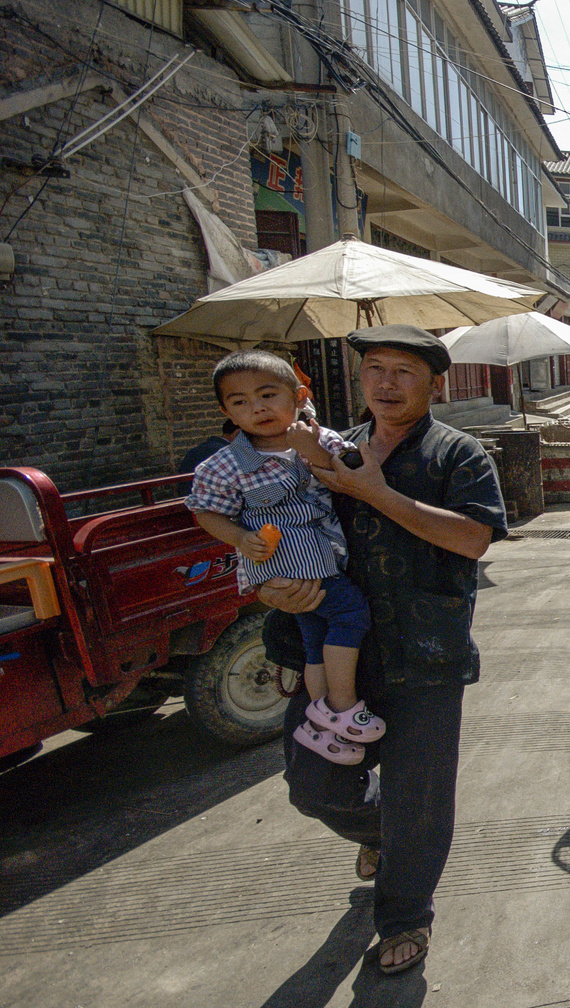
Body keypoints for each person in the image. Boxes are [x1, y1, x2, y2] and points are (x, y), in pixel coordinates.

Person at [257, 325, 507, 976]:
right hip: (335, 650)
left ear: (434, 384)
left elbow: (475, 539)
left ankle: (404, 916)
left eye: (403, 371)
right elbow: (285, 526)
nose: (387, 383)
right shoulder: (326, 448)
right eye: (375, 369)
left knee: (418, 797)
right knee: (313, 784)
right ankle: (378, 836)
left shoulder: (459, 455)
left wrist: (374, 493)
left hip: (425, 651)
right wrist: (277, 588)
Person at [185, 351, 380, 765]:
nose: (256, 408)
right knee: (351, 615)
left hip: (325, 555)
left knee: (314, 639)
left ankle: (319, 725)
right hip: (286, 562)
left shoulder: (320, 438)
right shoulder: (222, 466)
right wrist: (239, 537)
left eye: (268, 394)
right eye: (239, 402)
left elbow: (354, 479)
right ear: (226, 412)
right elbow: (204, 510)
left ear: (298, 395)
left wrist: (312, 451)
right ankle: (343, 706)